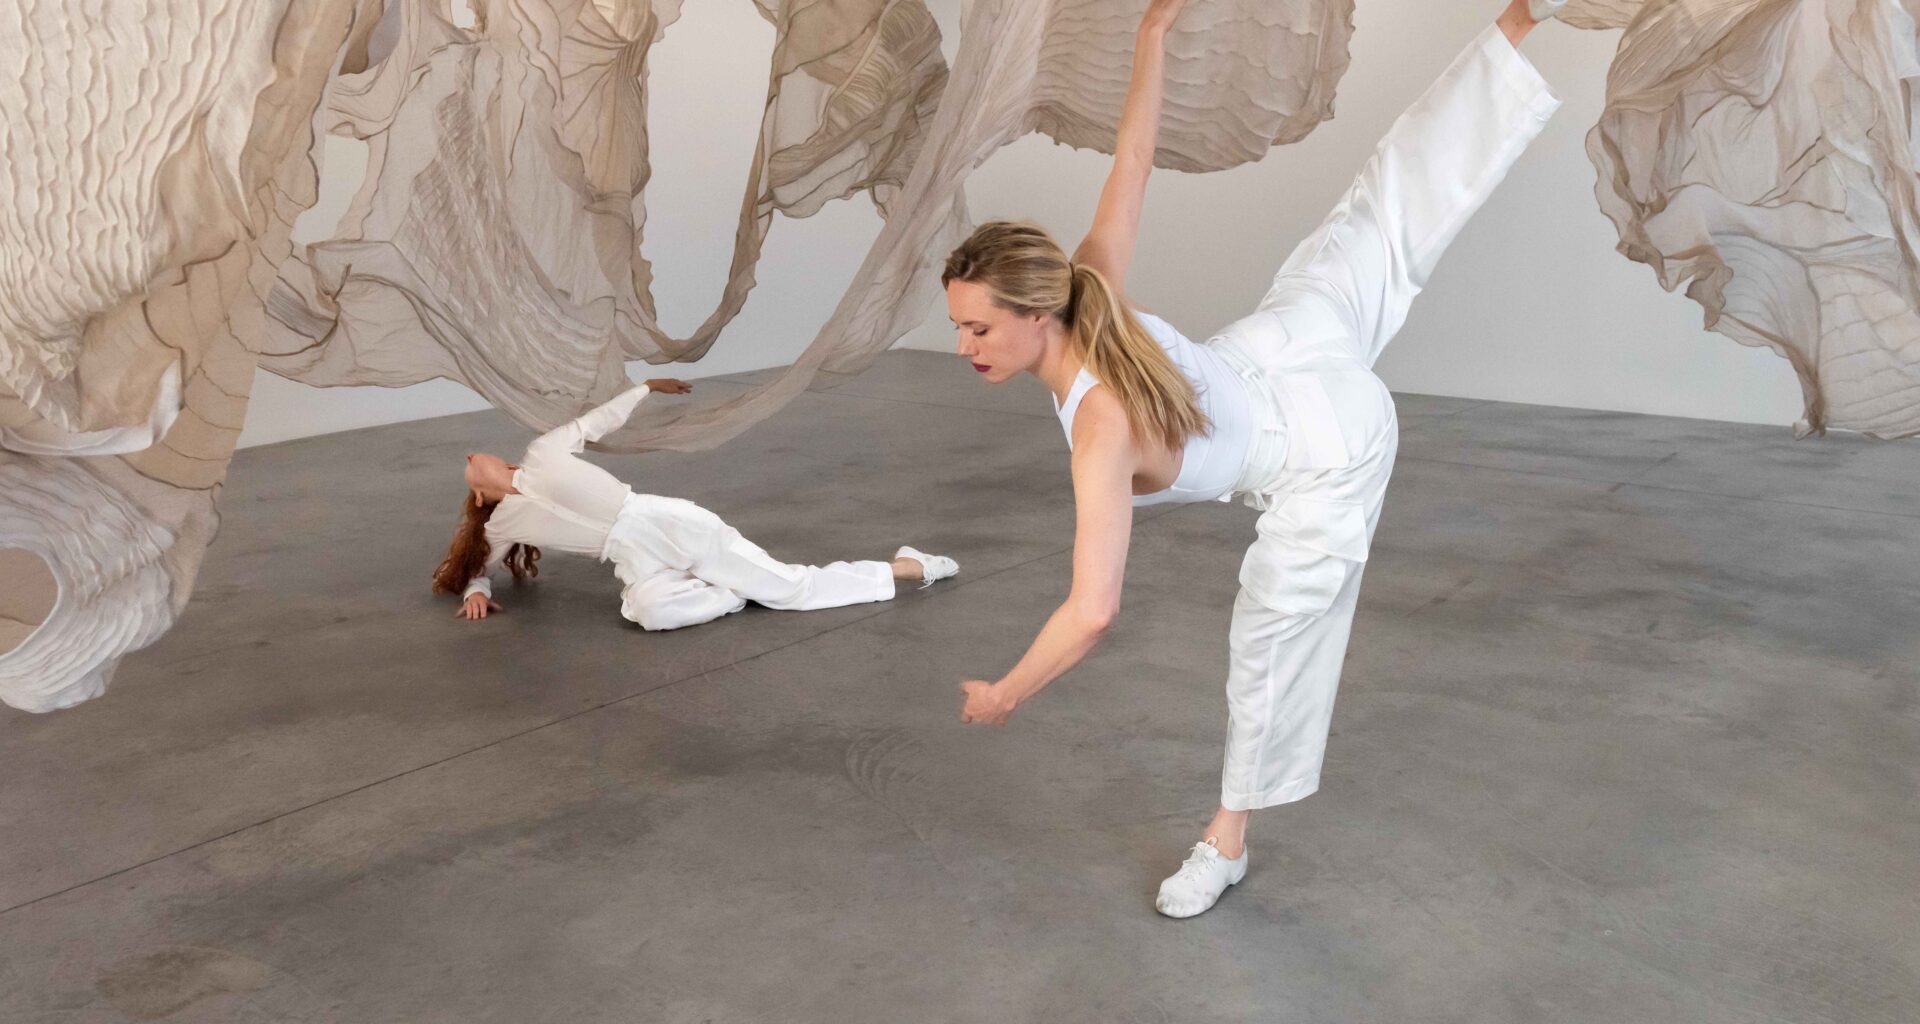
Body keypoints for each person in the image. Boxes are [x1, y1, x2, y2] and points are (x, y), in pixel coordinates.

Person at [942, 0, 1570, 917]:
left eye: (977, 327)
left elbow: (1091, 613)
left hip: (1327, 443)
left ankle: (1225, 841)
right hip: (1280, 343)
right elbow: (1135, 160)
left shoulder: (1101, 430)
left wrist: (1005, 694)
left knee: (1272, 648)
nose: (966, 346)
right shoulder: (1088, 284)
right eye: (959, 327)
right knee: (1381, 209)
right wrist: (1152, 35)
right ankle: (1520, 19)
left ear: (1037, 316)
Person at [434, 378, 959, 629]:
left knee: (795, 590)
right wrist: (477, 589)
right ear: (481, 493)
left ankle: (909, 567)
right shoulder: (502, 521)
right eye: (469, 465)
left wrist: (643, 387)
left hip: (662, 521)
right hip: (629, 557)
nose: (470, 452)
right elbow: (481, 564)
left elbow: (598, 421)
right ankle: (734, 590)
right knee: (646, 612)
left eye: (474, 453)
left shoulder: (542, 452)